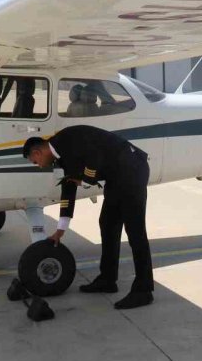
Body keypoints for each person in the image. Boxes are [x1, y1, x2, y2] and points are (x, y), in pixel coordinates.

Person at [23, 126, 154, 309]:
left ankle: (143, 290)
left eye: (35, 161)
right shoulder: (61, 158)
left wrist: (84, 180)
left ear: (38, 151)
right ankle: (107, 279)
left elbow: (95, 157)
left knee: (135, 231)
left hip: (131, 169)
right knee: (107, 224)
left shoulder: (66, 139)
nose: (39, 165)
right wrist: (60, 231)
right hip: (116, 177)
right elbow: (67, 192)